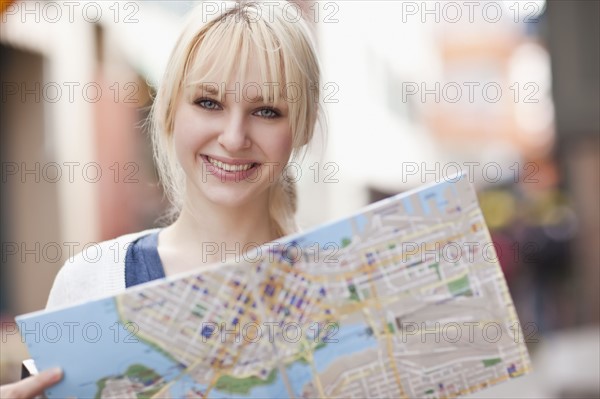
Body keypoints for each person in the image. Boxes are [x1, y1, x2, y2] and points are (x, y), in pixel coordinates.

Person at [45, 0, 323, 308]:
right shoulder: (87, 285)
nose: (233, 139)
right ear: (169, 109)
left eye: (266, 111)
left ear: (303, 127)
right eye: (208, 103)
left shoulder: (339, 285)